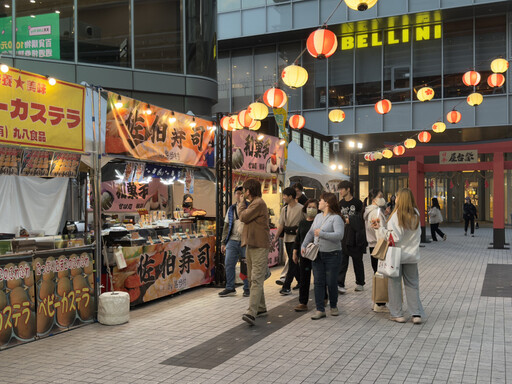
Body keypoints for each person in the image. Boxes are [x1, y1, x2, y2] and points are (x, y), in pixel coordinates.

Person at [372, 188, 424, 324]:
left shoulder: (397, 215)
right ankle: (416, 314)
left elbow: (394, 236)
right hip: (412, 255)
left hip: (397, 255)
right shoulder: (416, 213)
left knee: (394, 284)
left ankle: (397, 314)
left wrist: (380, 229)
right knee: (412, 284)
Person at [302, 192, 344, 320]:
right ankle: (320, 309)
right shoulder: (318, 217)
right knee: (318, 282)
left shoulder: (336, 218)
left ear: (327, 203)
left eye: (320, 201)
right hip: (317, 254)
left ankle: (333, 306)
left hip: (333, 254)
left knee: (331, 282)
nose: (318, 203)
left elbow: (339, 236)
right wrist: (303, 245)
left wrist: (322, 233)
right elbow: (311, 232)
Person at [238, 179, 270, 326]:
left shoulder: (258, 203)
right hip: (251, 244)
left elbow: (243, 217)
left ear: (248, 191)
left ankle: (251, 312)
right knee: (252, 278)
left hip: (259, 245)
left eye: (244, 190)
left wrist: (240, 203)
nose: (243, 193)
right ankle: (261, 307)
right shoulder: (254, 203)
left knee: (256, 278)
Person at [218, 187, 250, 297]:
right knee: (229, 263)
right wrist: (223, 242)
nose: (239, 195)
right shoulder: (231, 209)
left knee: (245, 265)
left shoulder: (250, 206)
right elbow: (226, 226)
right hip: (232, 240)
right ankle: (230, 287)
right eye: (237, 193)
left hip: (245, 241)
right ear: (235, 194)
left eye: (242, 193)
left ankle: (247, 288)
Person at [272, 187, 304, 295]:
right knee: (293, 261)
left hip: (297, 239)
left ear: (291, 196)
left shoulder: (301, 208)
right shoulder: (284, 209)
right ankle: (301, 281)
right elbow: (281, 224)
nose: (283, 197)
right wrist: (276, 237)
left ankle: (287, 286)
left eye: (285, 195)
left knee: (292, 261)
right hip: (287, 238)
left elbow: (307, 223)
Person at [292, 199, 322, 312]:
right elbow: (298, 238)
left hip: (317, 254)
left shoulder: (319, 222)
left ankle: (323, 298)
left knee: (319, 278)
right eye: (309, 207)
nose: (311, 209)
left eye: (314, 207)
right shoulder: (303, 223)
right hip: (304, 254)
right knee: (304, 278)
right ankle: (302, 302)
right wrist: (295, 251)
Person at [337, 180, 366, 293]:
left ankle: (360, 283)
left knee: (357, 260)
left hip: (355, 236)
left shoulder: (358, 203)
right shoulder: (340, 204)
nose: (340, 191)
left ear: (348, 189)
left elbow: (361, 220)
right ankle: (340, 283)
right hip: (343, 235)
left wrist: (350, 221)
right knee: (342, 261)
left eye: (342, 189)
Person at [363, 189, 388, 312]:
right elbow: (378, 229)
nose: (382, 198)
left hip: (373, 245)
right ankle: (379, 303)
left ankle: (377, 301)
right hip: (379, 244)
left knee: (377, 272)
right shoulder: (375, 212)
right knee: (380, 273)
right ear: (374, 199)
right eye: (380, 196)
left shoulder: (370, 211)